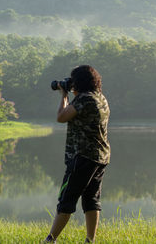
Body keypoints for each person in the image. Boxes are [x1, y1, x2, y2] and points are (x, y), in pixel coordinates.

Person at [43, 65, 110, 244]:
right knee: (91, 199)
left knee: (67, 198)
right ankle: (90, 240)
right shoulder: (100, 98)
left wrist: (64, 94)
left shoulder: (84, 99)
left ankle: (50, 240)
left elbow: (61, 117)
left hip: (83, 157)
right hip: (100, 157)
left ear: (79, 81)